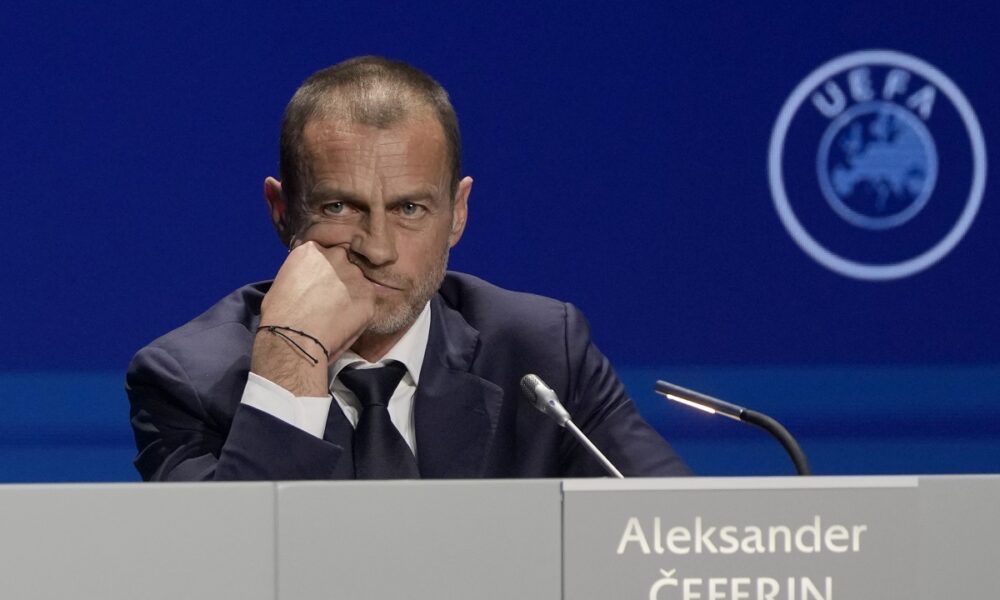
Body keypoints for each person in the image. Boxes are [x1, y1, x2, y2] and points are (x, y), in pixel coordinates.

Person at [127, 56, 689, 481]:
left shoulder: (540, 353)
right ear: (281, 211)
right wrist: (288, 367)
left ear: (458, 214)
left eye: (410, 209)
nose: (378, 247)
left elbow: (683, 540)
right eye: (339, 207)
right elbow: (225, 576)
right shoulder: (187, 379)